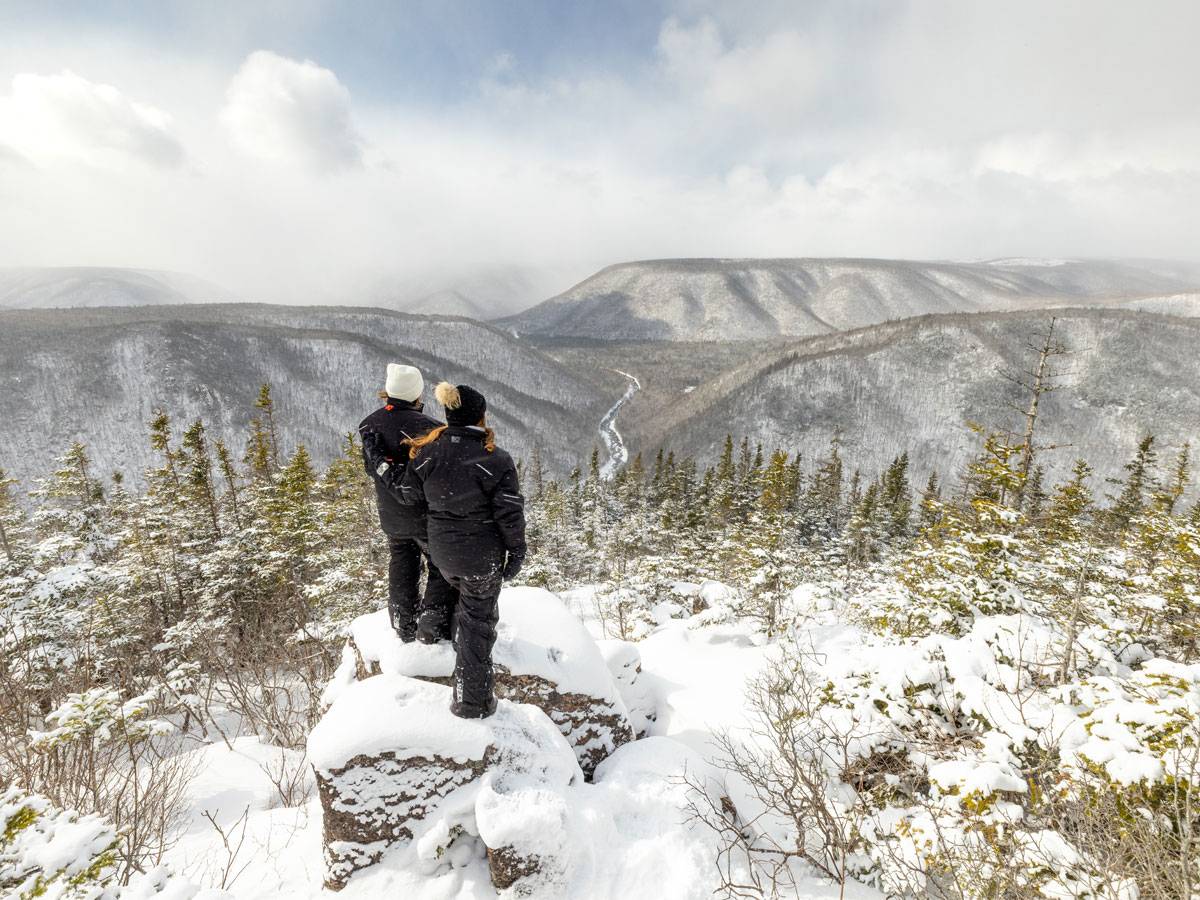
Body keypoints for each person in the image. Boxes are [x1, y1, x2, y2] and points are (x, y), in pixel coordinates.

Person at [400, 382, 526, 718]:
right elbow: (509, 514)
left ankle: (436, 638)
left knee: (463, 599)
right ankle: (472, 703)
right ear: (480, 416)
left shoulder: (427, 452)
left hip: (442, 551)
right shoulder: (495, 459)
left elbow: (410, 494)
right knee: (478, 622)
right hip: (480, 556)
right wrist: (516, 553)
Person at [358, 363, 457, 644]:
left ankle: (404, 624)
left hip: (390, 514)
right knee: (439, 566)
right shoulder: (433, 430)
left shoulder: (369, 425)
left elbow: (371, 468)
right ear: (417, 394)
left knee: (402, 561)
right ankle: (432, 624)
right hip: (426, 515)